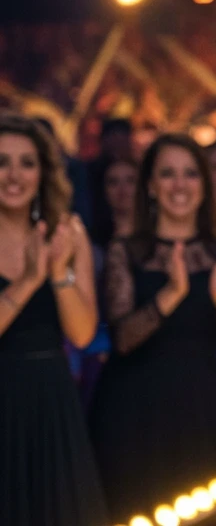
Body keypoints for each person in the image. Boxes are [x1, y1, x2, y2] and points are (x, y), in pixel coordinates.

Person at [89, 134, 216, 521]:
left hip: (202, 409)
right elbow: (123, 338)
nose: (180, 185)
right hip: (134, 413)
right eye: (168, 174)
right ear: (151, 186)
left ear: (204, 185)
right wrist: (172, 294)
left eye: (191, 174)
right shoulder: (125, 249)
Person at [0, 113, 107, 526]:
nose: (14, 175)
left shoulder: (69, 233)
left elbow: (82, 335)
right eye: (2, 163)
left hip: (51, 402)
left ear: (43, 171)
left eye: (26, 163)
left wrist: (59, 272)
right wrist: (29, 280)